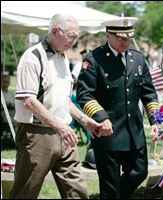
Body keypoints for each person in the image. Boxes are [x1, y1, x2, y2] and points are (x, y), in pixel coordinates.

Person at [10, 13, 107, 199]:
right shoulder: (33, 57)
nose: (74, 41)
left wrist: (85, 121)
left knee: (77, 191)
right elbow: (28, 100)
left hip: (64, 133)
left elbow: (64, 99)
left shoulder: (63, 58)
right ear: (55, 31)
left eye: (76, 36)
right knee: (25, 192)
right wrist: (59, 126)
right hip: (36, 135)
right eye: (71, 36)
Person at [76, 17, 159, 199]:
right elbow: (84, 94)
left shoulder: (137, 58)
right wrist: (101, 117)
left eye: (128, 38)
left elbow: (149, 93)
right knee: (110, 186)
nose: (125, 41)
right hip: (108, 134)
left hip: (134, 134)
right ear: (108, 35)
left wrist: (155, 120)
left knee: (139, 172)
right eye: (120, 37)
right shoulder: (93, 59)